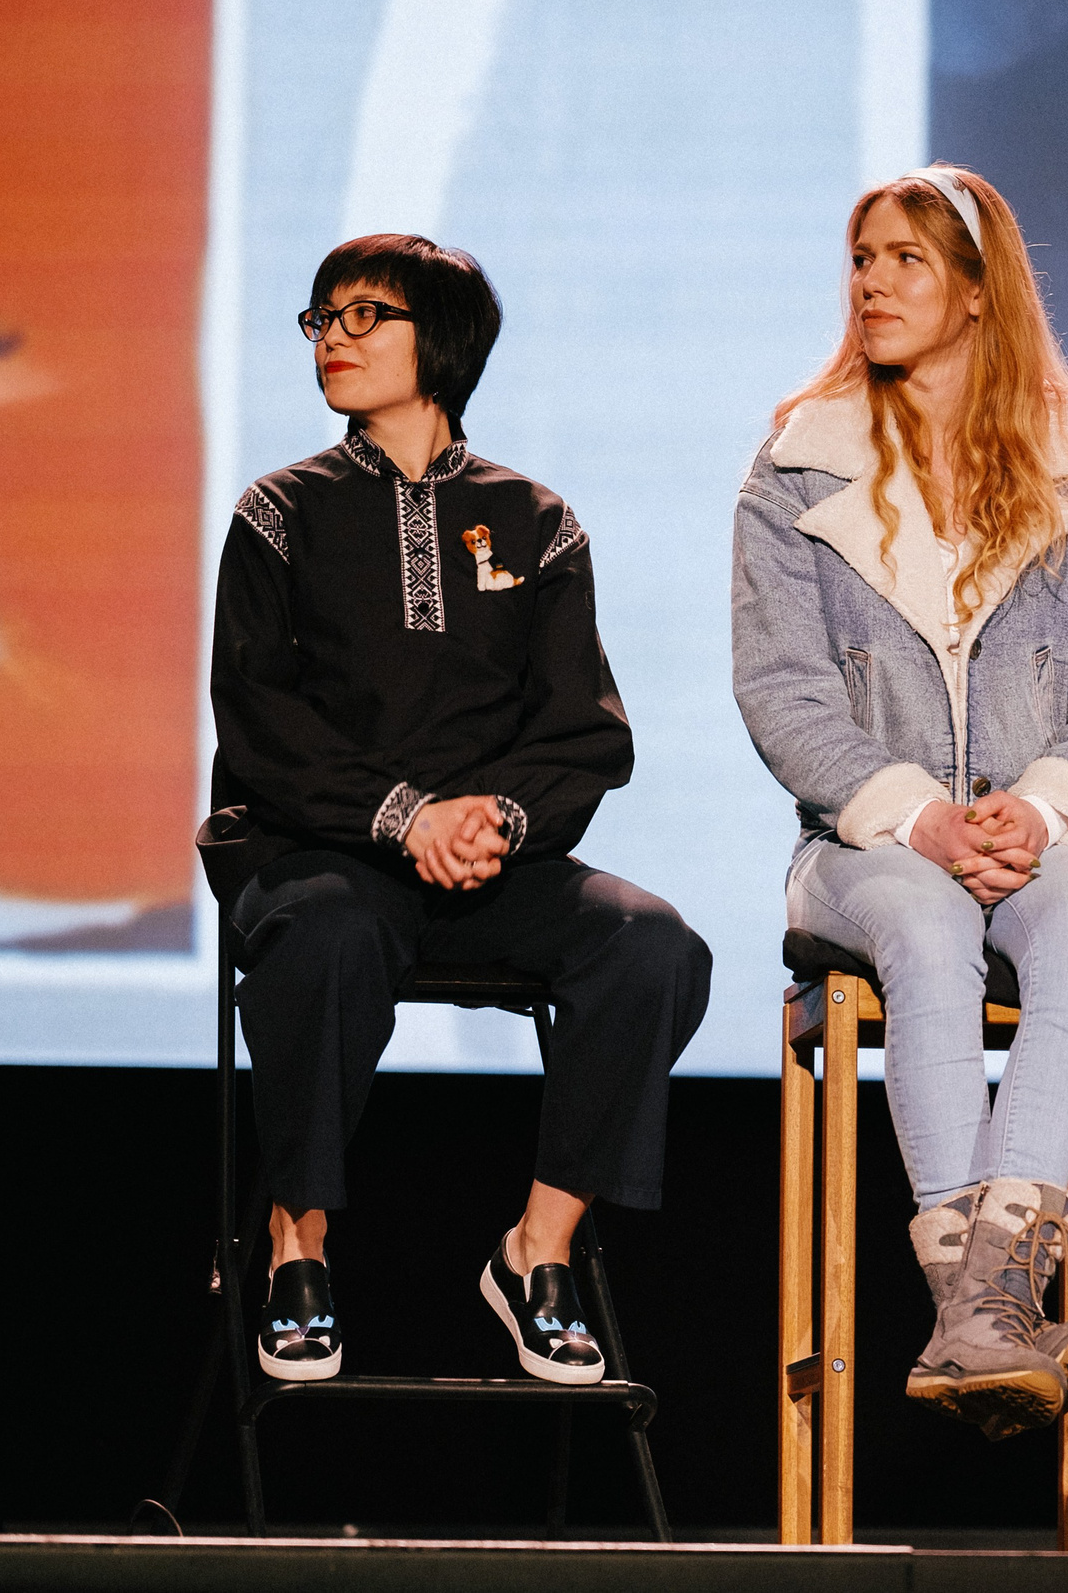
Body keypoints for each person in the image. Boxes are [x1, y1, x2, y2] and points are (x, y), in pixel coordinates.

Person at [203, 233, 711, 1388]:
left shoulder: (534, 523)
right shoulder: (279, 515)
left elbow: (584, 735)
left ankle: (539, 1251)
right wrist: (402, 818)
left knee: (652, 948)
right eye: (320, 317)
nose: (331, 336)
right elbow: (260, 724)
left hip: (492, 871)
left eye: (363, 315)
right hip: (320, 851)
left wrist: (495, 822)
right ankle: (298, 1248)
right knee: (329, 933)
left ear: (439, 341)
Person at [732, 165, 1068, 1439]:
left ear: (979, 294)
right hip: (860, 845)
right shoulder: (796, 467)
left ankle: (976, 1310)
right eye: (861, 257)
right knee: (925, 930)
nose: (871, 282)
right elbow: (780, 687)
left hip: (1041, 834)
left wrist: (1038, 811)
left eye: (905, 261)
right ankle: (987, 1307)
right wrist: (914, 813)